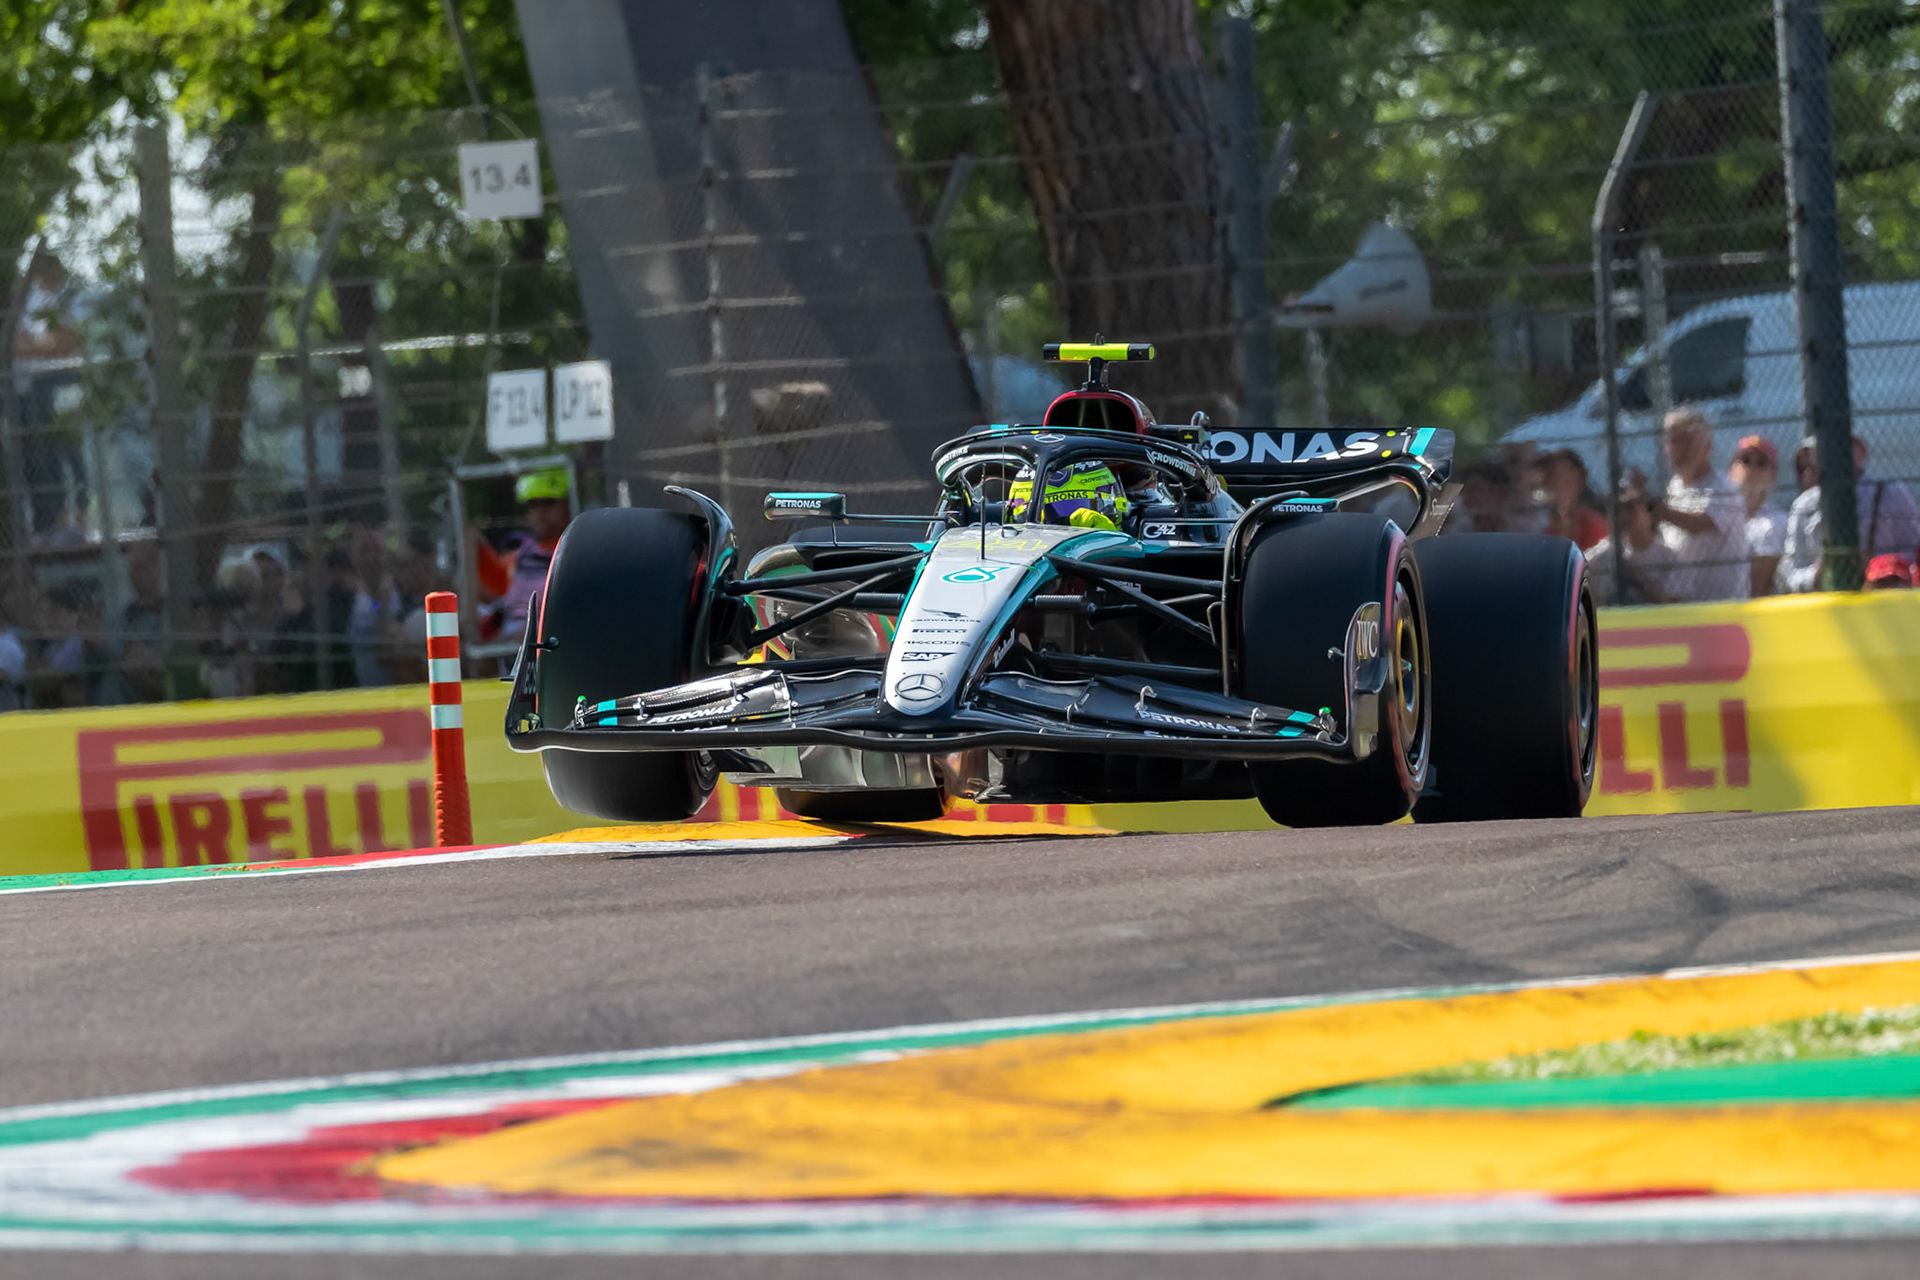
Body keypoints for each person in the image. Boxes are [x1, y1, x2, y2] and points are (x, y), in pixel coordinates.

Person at [1781, 435, 1920, 593]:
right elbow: (1789, 573)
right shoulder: (1804, 505)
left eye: (1842, 446)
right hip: (1825, 600)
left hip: (1884, 597)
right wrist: (1817, 573)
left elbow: (1915, 554)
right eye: (1822, 450)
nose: (1834, 455)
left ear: (1861, 452)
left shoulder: (1891, 493)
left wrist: (1884, 568)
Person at [1649, 408, 1748, 601]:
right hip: (1682, 603)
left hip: (1721, 605)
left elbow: (1700, 524)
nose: (1681, 449)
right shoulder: (1675, 486)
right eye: (1674, 441)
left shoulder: (1723, 488)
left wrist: (1662, 512)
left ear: (1707, 446)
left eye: (1689, 440)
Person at [473, 469, 574, 640]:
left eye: (548, 503)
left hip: (550, 639)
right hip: (511, 641)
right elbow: (494, 590)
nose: (540, 512)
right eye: (533, 505)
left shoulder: (576, 551)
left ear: (567, 504)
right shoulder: (522, 554)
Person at [1586, 484, 1680, 605]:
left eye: (1630, 508)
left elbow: (1672, 604)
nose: (1624, 516)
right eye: (1617, 510)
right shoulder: (1602, 556)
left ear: (1649, 514)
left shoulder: (1669, 558)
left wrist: (1638, 580)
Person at [1728, 435, 1788, 598]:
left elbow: (1757, 589)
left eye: (1761, 463)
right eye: (1745, 461)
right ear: (1732, 470)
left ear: (1773, 475)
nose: (1752, 468)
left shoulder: (1777, 522)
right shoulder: (1720, 516)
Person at [1540, 448, 1608, 551]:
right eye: (1555, 479)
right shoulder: (1542, 526)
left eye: (1566, 480)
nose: (1560, 485)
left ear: (1581, 479)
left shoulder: (1593, 523)